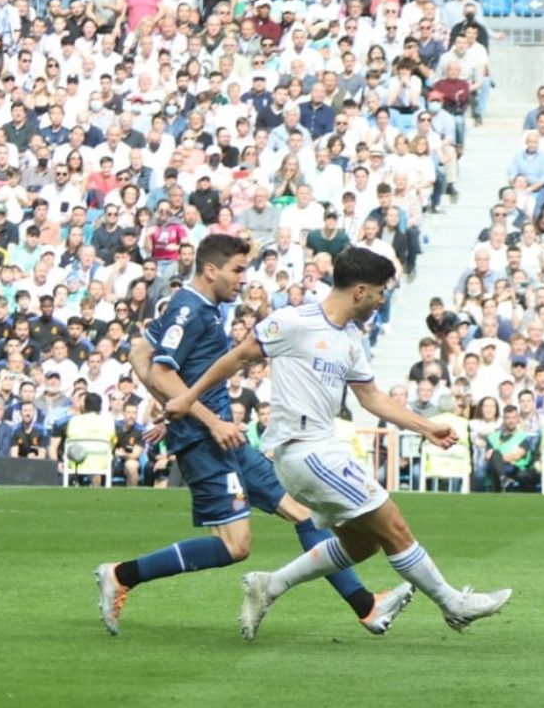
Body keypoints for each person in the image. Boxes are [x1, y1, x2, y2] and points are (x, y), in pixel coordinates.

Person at [167, 247, 510, 639]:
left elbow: (372, 397)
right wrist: (188, 398)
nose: (383, 301)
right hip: (302, 450)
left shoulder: (350, 339)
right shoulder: (294, 321)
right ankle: (453, 604)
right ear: (361, 291)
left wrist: (424, 426)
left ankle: (270, 585)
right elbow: (237, 358)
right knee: (392, 523)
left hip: (323, 448)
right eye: (381, 292)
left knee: (363, 544)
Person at [98, 234, 412, 637]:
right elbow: (156, 367)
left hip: (226, 436)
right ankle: (121, 575)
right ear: (211, 269)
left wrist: (170, 404)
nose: (243, 279)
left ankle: (366, 606)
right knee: (235, 546)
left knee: (303, 514)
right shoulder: (188, 309)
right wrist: (204, 419)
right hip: (206, 441)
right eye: (237, 270)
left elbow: (141, 351)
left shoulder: (206, 310)